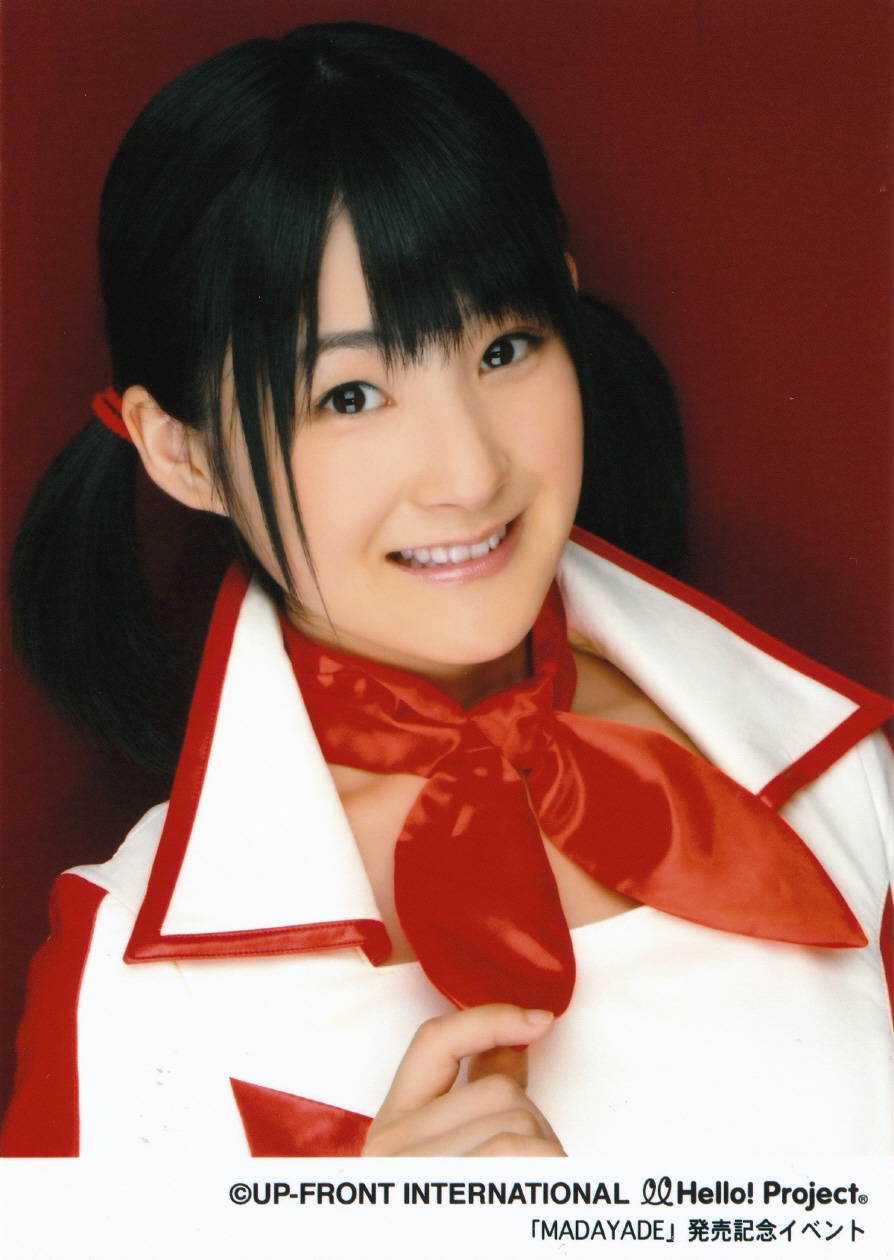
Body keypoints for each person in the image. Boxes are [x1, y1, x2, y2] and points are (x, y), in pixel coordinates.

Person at [1, 22, 892, 1160]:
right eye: (350, 397)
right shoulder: (131, 985)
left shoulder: (836, 781)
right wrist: (352, 1236)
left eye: (504, 349)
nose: (471, 473)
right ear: (184, 454)